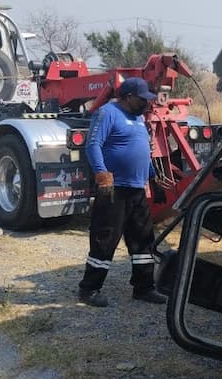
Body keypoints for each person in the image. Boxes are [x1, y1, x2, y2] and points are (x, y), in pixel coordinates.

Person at [77, 76, 168, 307]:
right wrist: (102, 174)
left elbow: (143, 153)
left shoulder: (138, 118)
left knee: (143, 240)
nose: (147, 103)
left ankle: (143, 288)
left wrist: (153, 181)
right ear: (128, 97)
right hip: (113, 189)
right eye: (142, 98)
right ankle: (89, 289)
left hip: (137, 190)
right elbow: (93, 144)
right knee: (104, 240)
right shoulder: (107, 113)